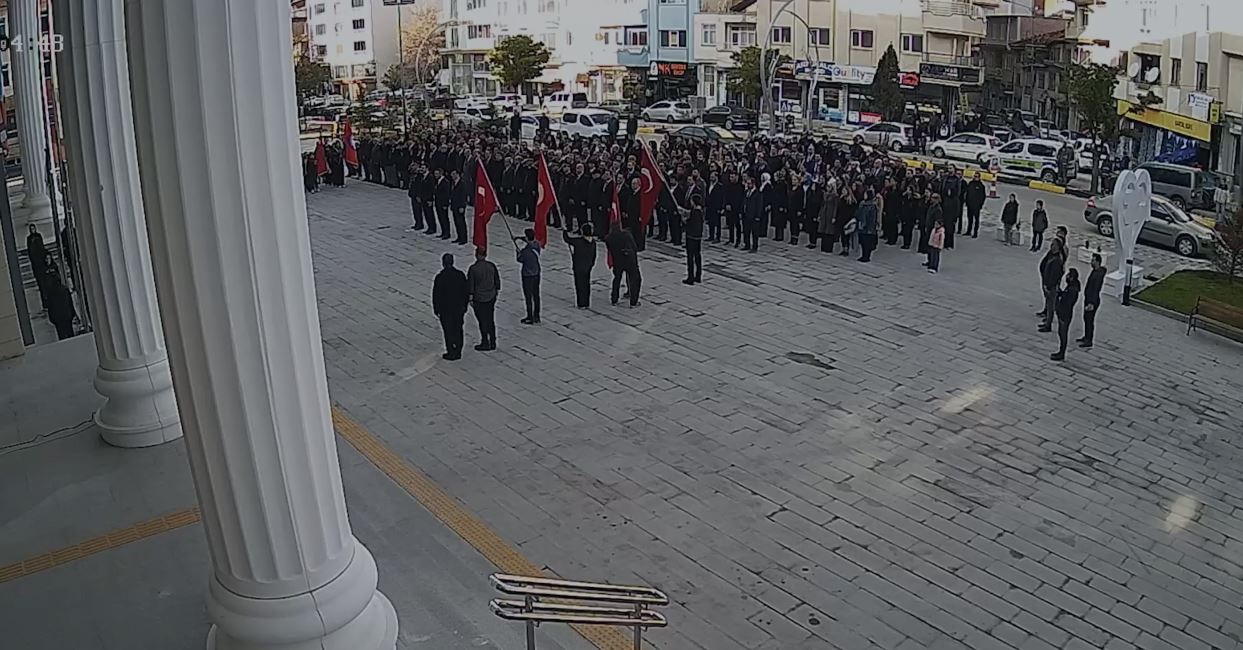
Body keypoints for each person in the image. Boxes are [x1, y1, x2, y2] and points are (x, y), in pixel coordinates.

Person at [432, 253, 469, 361]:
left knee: (448, 330)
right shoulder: (460, 275)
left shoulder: (440, 277)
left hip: (445, 309)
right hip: (458, 308)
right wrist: (465, 305)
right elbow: (465, 291)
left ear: (443, 263)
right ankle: (458, 349)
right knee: (458, 328)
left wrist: (436, 309)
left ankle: (451, 351)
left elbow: (436, 294)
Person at [466, 247, 500, 351]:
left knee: (482, 320)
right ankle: (493, 341)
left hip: (479, 298)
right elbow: (497, 281)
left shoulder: (473, 269)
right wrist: (496, 293)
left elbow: (471, 285)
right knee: (490, 319)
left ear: (476, 255)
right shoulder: (491, 266)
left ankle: (485, 341)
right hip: (491, 296)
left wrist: (470, 298)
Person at [606, 222, 641, 307]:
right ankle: (633, 301)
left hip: (617, 261)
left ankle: (614, 299)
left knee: (617, 279)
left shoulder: (608, 238)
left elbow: (610, 250)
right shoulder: (626, 235)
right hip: (629, 260)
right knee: (635, 280)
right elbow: (634, 247)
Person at [563, 224, 597, 308]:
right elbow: (594, 255)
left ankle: (581, 303)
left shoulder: (579, 241)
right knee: (586, 285)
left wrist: (564, 231)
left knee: (579, 285)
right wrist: (591, 264)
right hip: (588, 267)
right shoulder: (593, 242)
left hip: (578, 267)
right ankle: (586, 302)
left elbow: (567, 239)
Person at [1050, 268, 1081, 362]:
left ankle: (1062, 352)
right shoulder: (1071, 287)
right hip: (1063, 312)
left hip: (1065, 314)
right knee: (1061, 332)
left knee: (1063, 333)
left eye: (1068, 275)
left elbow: (1068, 302)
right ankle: (1061, 351)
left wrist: (1061, 296)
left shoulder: (1072, 289)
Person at [1038, 238, 1066, 332]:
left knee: (1051, 305)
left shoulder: (1057, 259)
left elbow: (1055, 275)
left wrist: (1049, 285)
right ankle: (1047, 321)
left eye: (1053, 244)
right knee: (1050, 303)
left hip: (1051, 286)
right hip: (1046, 282)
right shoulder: (1051, 255)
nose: (1051, 246)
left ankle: (1048, 325)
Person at [1079, 254, 1106, 349]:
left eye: (1093, 260)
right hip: (1088, 299)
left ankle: (1088, 340)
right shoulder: (1095, 271)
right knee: (1086, 318)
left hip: (1092, 300)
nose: (1091, 262)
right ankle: (1086, 336)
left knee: (1089, 319)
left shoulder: (1098, 274)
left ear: (1098, 262)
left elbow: (1095, 289)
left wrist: (1091, 303)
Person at [515, 228, 542, 324]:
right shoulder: (537, 245)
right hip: (536, 273)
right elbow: (529, 240)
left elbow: (520, 259)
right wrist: (519, 238)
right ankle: (537, 316)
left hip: (527, 275)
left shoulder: (525, 251)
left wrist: (517, 251)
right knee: (536, 295)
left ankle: (530, 316)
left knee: (528, 297)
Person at [684, 192, 705, 285]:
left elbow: (690, 223)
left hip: (691, 236)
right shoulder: (700, 212)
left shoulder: (694, 212)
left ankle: (690, 277)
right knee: (697, 256)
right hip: (698, 237)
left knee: (690, 257)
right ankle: (698, 275)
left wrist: (685, 222)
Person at [855, 188, 879, 263]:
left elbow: (873, 218)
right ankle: (863, 255)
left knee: (867, 242)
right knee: (862, 241)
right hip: (861, 224)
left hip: (869, 226)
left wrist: (872, 226)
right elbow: (858, 213)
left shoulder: (872, 205)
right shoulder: (862, 204)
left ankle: (867, 256)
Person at [742, 175, 764, 253]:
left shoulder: (758, 193)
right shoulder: (746, 192)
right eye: (747, 184)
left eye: (749, 184)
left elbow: (759, 205)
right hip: (746, 215)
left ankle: (755, 246)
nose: (748, 185)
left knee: (754, 232)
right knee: (746, 231)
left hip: (754, 215)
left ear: (753, 184)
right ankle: (747, 244)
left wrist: (758, 215)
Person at [451, 169, 470, 245]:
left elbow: (463, 196)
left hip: (460, 206)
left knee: (461, 222)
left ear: (458, 174)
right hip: (454, 205)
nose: (452, 176)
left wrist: (462, 206)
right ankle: (459, 237)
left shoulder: (462, 183)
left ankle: (463, 238)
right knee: (456, 222)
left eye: (454, 174)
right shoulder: (453, 183)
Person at [433, 168, 452, 240]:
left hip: (443, 203)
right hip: (438, 202)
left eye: (437, 174)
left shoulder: (445, 182)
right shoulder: (437, 181)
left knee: (444, 218)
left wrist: (445, 204)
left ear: (441, 173)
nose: (435, 175)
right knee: (440, 218)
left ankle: (447, 233)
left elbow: (446, 194)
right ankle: (443, 232)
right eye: (435, 174)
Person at [705, 171, 724, 243]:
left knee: (717, 223)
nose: (711, 178)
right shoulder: (709, 185)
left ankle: (718, 237)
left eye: (712, 177)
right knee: (710, 222)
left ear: (716, 177)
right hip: (710, 206)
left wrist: (721, 207)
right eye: (710, 177)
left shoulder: (719, 186)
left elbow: (721, 197)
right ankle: (711, 235)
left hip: (716, 207)